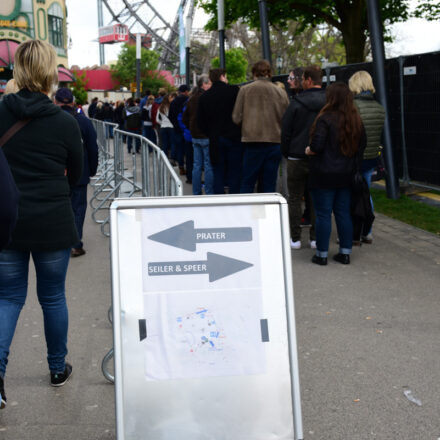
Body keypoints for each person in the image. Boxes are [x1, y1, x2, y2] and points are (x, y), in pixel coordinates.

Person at [0, 40, 83, 408]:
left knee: (7, 298)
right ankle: (56, 368)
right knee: (52, 297)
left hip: (6, 221)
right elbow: (79, 175)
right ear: (50, 73)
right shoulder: (65, 121)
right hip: (51, 220)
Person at [306, 82, 366, 266]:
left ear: (331, 98)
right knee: (343, 214)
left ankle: (322, 254)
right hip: (346, 174)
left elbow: (317, 146)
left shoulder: (325, 118)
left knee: (323, 215)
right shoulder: (355, 119)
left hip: (323, 174)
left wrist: (308, 150)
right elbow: (362, 146)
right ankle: (345, 253)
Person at [281, 65, 326, 250]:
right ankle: (315, 238)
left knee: (294, 198)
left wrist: (286, 151)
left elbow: (286, 131)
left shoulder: (296, 103)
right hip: (320, 156)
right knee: (315, 197)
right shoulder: (328, 102)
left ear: (307, 80)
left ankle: (295, 237)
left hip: (296, 155)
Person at [54, 88, 99, 258]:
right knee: (78, 208)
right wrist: (92, 168)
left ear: (56, 102)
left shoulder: (50, 120)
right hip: (80, 171)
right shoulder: (83, 121)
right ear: (73, 101)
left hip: (57, 172)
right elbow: (92, 148)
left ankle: (61, 241)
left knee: (60, 207)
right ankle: (75, 243)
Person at [232, 60, 289, 193]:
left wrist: (247, 124)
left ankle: (246, 212)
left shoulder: (245, 90)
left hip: (252, 141)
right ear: (269, 73)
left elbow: (236, 117)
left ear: (254, 73)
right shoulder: (280, 92)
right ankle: (267, 212)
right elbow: (286, 118)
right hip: (274, 141)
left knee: (248, 182)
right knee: (269, 183)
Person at [349, 70, 385, 244]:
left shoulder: (352, 107)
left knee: (350, 194)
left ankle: (352, 232)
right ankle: (367, 231)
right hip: (371, 157)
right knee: (366, 192)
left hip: (354, 157)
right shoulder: (379, 108)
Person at [197, 68, 242, 194]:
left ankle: (220, 201)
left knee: (218, 173)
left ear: (211, 79)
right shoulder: (234, 91)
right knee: (235, 172)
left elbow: (200, 121)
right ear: (223, 76)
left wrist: (210, 133)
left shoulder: (205, 97)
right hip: (234, 137)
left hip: (215, 139)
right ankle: (235, 200)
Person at [183, 75, 214, 195]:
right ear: (204, 85)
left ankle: (196, 192)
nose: (211, 86)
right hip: (206, 135)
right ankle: (209, 191)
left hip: (195, 135)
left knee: (197, 165)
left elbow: (185, 117)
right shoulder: (208, 98)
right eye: (209, 84)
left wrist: (191, 128)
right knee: (208, 165)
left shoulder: (191, 99)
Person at [169, 84, 190, 174]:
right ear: (186, 91)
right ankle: (189, 168)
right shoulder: (188, 100)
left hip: (177, 128)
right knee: (188, 149)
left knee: (179, 148)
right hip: (187, 128)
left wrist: (175, 124)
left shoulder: (174, 101)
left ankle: (181, 166)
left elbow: (170, 116)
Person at [156, 94, 175, 158]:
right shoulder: (172, 106)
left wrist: (162, 123)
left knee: (164, 143)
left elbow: (157, 119)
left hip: (163, 127)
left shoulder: (160, 107)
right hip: (171, 127)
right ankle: (172, 157)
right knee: (172, 143)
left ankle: (165, 157)